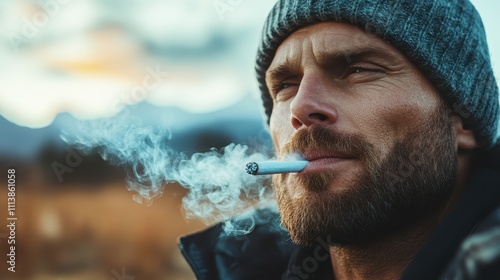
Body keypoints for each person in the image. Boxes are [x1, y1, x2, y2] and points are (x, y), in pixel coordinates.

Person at [179, 0, 500, 279]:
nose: (301, 107)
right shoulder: (241, 267)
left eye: (358, 69)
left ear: (462, 120)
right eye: (286, 85)